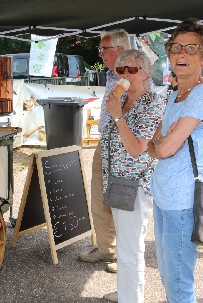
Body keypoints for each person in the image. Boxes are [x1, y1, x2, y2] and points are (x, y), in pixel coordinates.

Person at [148, 19, 203, 302]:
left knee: (179, 283)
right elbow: (156, 144)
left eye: (191, 48)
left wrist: (162, 145)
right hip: (163, 195)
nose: (182, 54)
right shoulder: (174, 95)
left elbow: (163, 148)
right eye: (176, 47)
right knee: (168, 275)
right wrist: (161, 144)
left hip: (183, 201)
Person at [102, 50, 165, 302]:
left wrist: (116, 114)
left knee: (131, 250)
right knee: (125, 247)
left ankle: (132, 298)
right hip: (117, 181)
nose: (125, 75)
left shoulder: (152, 103)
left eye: (132, 70)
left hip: (135, 183)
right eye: (121, 70)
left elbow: (138, 148)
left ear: (147, 73)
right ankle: (126, 291)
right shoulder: (124, 98)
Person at [79, 29, 129, 273]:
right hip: (105, 143)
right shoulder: (111, 75)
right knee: (99, 197)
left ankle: (125, 255)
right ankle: (106, 248)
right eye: (100, 48)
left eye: (104, 49)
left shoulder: (136, 74)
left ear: (120, 50)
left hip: (124, 148)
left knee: (122, 200)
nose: (100, 53)